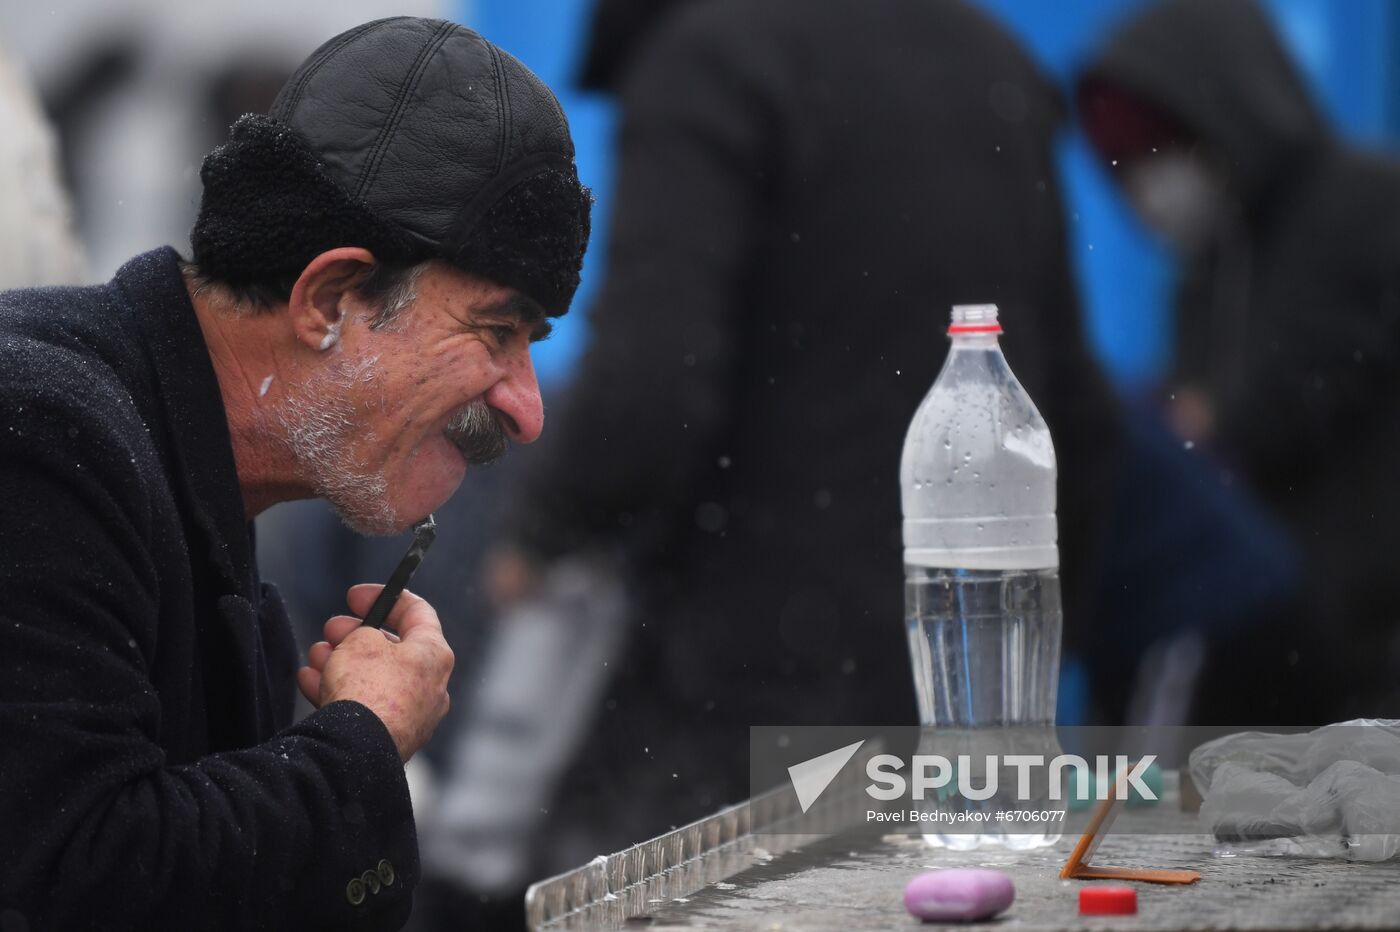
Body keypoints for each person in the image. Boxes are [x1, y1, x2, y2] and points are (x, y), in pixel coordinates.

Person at [440, 0, 1122, 883]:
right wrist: (1030, 653)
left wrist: (545, 534)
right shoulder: (994, 62)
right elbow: (1075, 404)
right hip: (942, 695)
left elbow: (653, 381)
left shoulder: (711, 61)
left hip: (741, 686)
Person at [0, 16, 590, 930]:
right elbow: (77, 880)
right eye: (496, 332)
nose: (526, 407)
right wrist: (360, 743)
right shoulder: (41, 436)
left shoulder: (169, 447)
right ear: (328, 299)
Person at [1077, 0, 1400, 716]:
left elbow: (1282, 395)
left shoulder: (1363, 202)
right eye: (1123, 167)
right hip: (1264, 645)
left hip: (1360, 644)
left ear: (1224, 106)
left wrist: (1181, 425)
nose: (1146, 185)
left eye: (1158, 147)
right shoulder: (1207, 269)